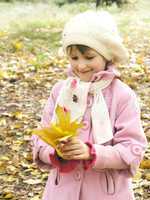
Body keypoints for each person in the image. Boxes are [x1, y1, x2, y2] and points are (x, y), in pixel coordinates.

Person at [30, 11, 147, 200]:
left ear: (106, 55)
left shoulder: (122, 95)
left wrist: (92, 153)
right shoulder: (60, 91)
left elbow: (132, 148)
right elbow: (41, 139)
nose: (81, 66)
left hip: (107, 193)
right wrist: (55, 152)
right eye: (74, 58)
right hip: (61, 191)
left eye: (89, 57)